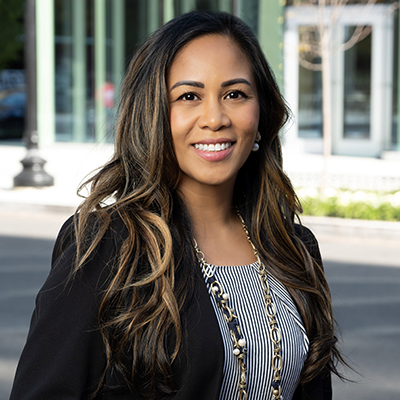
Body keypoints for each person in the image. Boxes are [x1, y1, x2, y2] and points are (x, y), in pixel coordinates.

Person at [10, 11, 344, 400]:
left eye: (235, 94)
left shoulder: (294, 248)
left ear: (261, 112)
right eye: (189, 96)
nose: (215, 118)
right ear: (153, 114)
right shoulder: (108, 246)